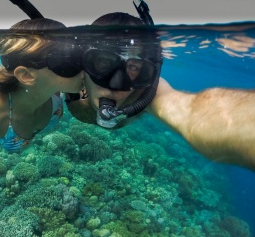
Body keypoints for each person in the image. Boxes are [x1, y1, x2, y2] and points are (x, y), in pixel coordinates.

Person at [67, 11, 255, 170]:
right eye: (104, 62)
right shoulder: (66, 76)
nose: (114, 85)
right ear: (85, 63)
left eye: (133, 68)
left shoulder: (145, 92)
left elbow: (193, 112)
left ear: (145, 72)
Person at [0, 18, 84, 152]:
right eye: (68, 62)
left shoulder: (59, 84)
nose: (85, 68)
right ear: (26, 75)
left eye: (81, 56)